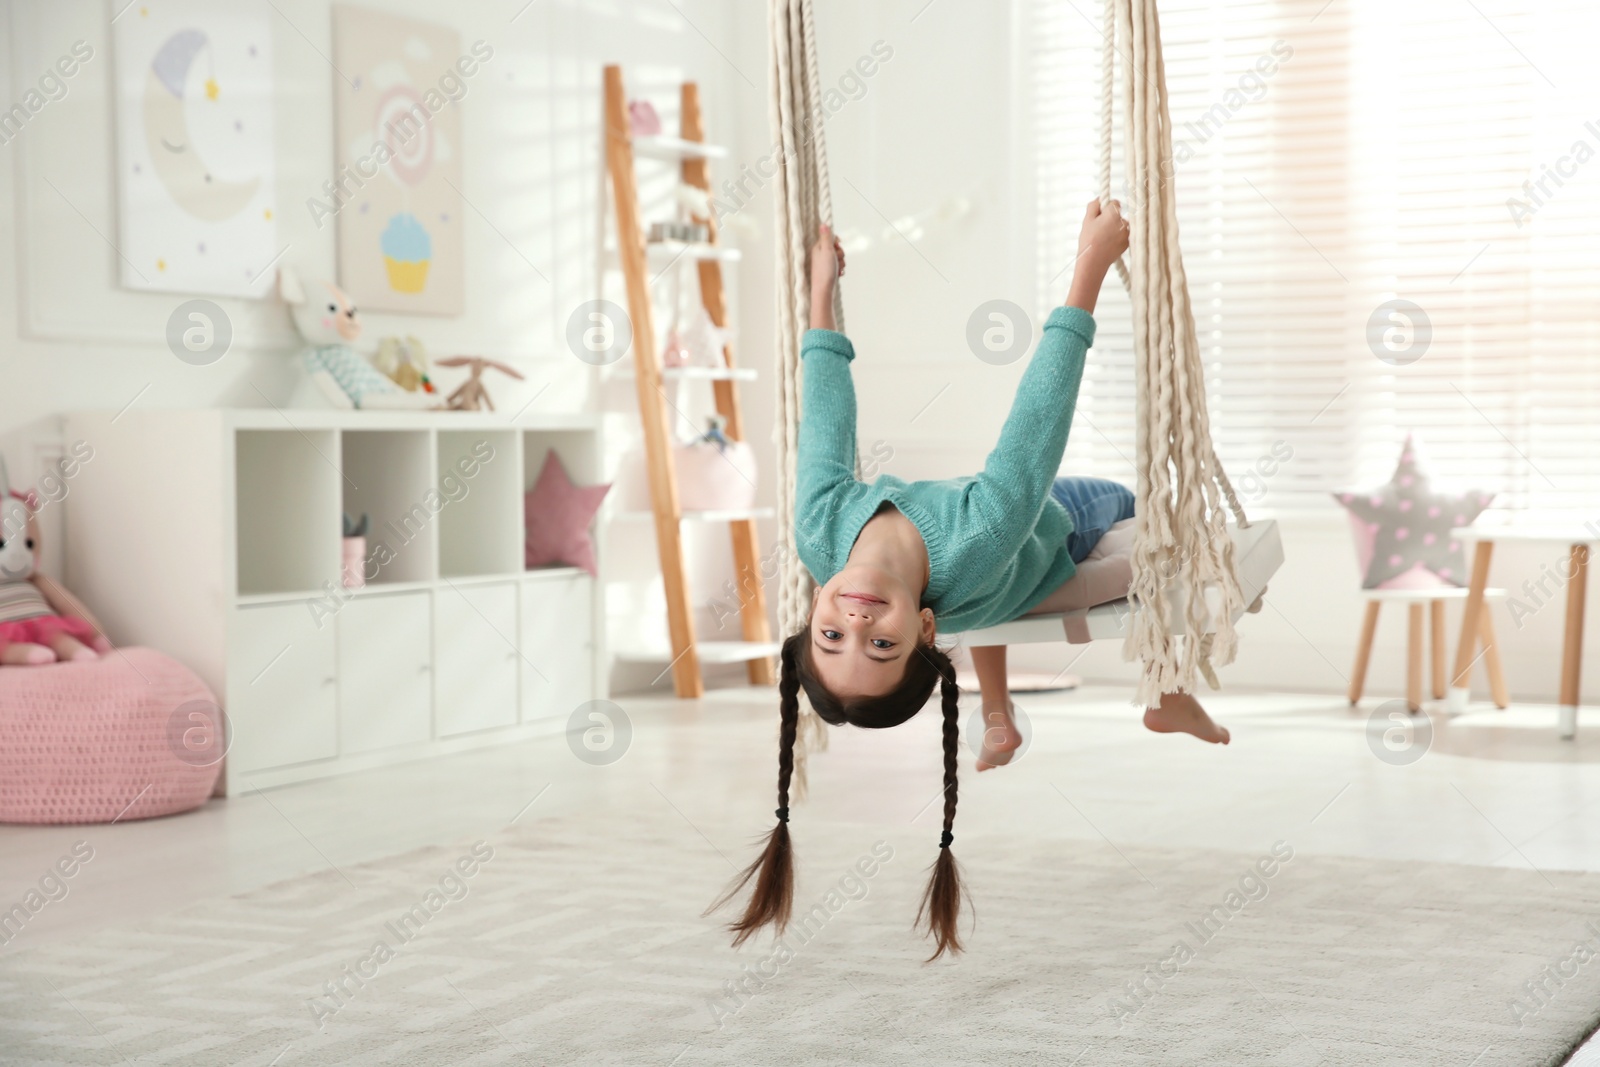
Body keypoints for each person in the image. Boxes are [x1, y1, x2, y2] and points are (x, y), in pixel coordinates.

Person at [709, 201, 1226, 960]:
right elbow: (1036, 419)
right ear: (919, 630)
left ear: (812, 608)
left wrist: (821, 291)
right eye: (876, 642)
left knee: (982, 590)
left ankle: (997, 713)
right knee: (1161, 526)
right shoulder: (982, 532)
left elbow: (823, 409)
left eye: (832, 634)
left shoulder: (820, 532)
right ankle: (1168, 684)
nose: (854, 618)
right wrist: (1089, 264)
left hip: (985, 579)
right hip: (1054, 533)